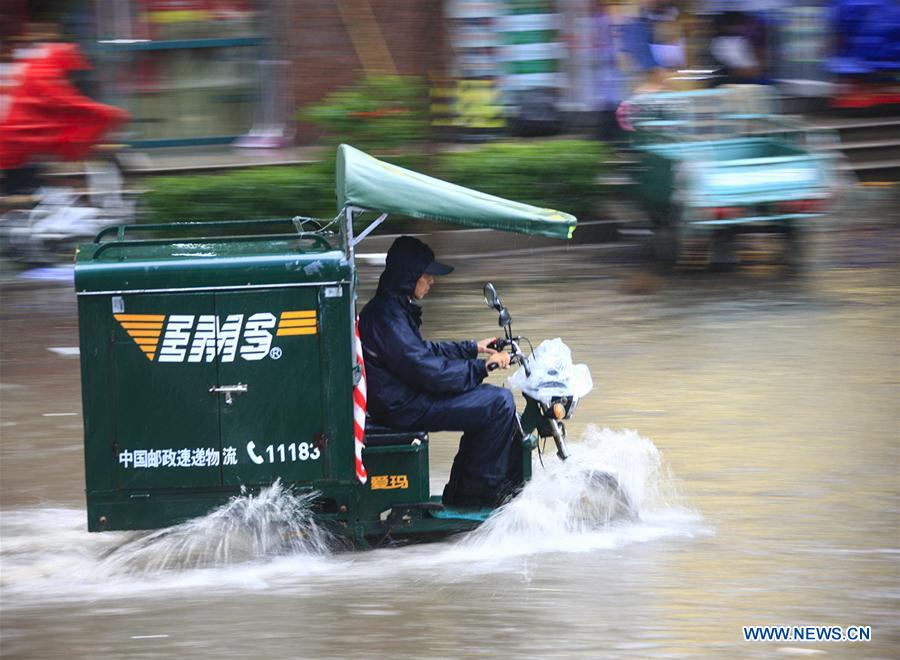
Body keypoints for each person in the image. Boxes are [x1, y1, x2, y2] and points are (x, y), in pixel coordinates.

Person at [359, 236, 522, 508]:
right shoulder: (389, 319)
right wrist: (483, 367)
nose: (432, 281)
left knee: (488, 400)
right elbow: (428, 372)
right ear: (409, 277)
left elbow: (422, 351)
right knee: (498, 403)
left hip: (403, 398)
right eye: (427, 275)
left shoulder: (390, 309)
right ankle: (475, 497)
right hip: (404, 407)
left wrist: (472, 348)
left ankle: (464, 490)